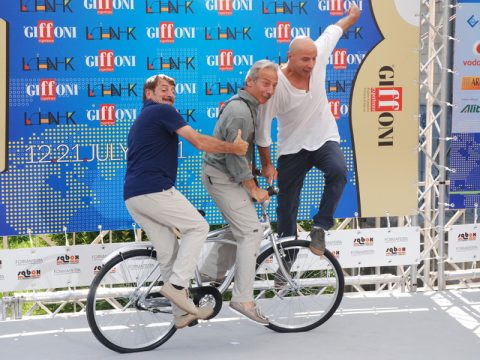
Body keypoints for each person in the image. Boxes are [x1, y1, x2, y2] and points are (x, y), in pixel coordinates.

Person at [124, 74, 249, 329]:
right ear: (149, 94)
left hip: (133, 196)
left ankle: (181, 313)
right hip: (154, 190)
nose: (170, 94)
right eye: (163, 89)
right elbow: (199, 141)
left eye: (173, 90)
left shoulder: (142, 119)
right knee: (199, 227)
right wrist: (235, 149)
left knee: (169, 253)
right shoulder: (160, 111)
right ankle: (178, 287)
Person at [256, 5, 361, 256]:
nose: (311, 64)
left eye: (314, 58)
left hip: (324, 137)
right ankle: (286, 264)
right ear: (290, 57)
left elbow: (334, 30)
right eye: (305, 59)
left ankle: (320, 226)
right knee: (286, 208)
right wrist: (268, 165)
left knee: (338, 171)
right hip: (292, 147)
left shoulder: (319, 55)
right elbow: (262, 130)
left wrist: (353, 16)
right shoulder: (275, 86)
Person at [201, 60, 279, 324]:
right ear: (250, 82)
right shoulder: (242, 112)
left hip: (224, 175)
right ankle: (243, 299)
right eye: (265, 83)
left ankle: (207, 278)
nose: (270, 90)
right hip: (223, 177)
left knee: (239, 229)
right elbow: (235, 158)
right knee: (252, 232)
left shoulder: (248, 107)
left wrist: (260, 170)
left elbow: (240, 154)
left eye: (274, 85)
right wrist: (254, 188)